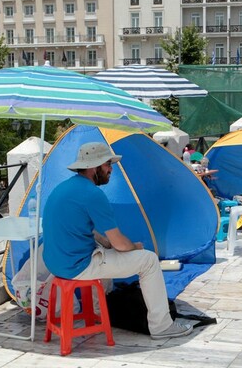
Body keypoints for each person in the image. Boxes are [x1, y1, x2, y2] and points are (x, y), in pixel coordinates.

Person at [42, 142, 193, 340]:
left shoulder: (63, 188)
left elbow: (78, 226)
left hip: (55, 264)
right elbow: (120, 243)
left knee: (106, 254)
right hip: (77, 266)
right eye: (107, 164)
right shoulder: (92, 194)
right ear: (93, 167)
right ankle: (162, 326)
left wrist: (104, 242)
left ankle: (99, 311)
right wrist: (135, 247)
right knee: (148, 260)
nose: (111, 169)